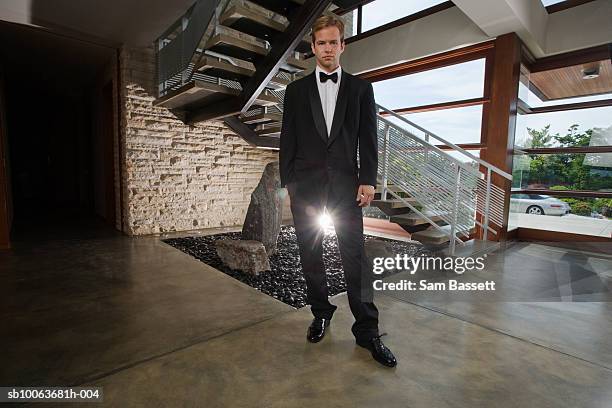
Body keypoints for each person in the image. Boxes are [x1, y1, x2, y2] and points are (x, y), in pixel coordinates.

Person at [279, 14, 396, 368]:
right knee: (310, 254)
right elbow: (288, 139)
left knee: (354, 259)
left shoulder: (361, 89)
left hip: (347, 187)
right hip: (307, 188)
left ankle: (367, 331)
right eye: (321, 43)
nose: (328, 49)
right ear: (313, 48)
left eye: (333, 42)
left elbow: (368, 139)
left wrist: (368, 179)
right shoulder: (295, 91)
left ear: (342, 45)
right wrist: (290, 184)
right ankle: (321, 312)